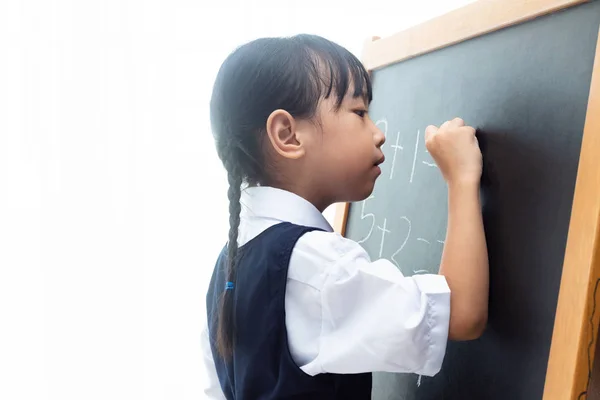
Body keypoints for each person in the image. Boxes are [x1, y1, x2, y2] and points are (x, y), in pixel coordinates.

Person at [201, 34, 489, 399]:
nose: (379, 134)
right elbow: (462, 313)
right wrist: (462, 180)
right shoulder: (315, 265)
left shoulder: (227, 269)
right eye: (360, 113)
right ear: (287, 135)